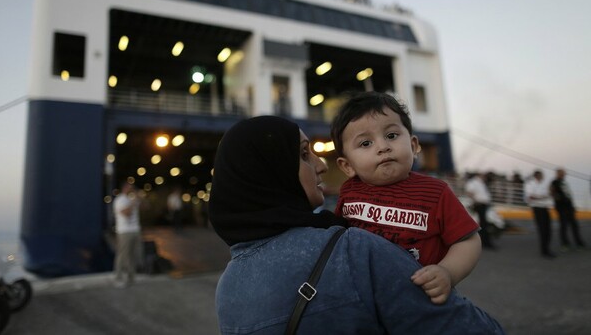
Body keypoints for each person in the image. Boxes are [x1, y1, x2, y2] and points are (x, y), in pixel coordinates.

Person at [209, 115, 504, 334]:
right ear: (270, 171)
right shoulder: (353, 249)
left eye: (391, 136)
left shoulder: (227, 290)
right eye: (303, 154)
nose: (321, 164)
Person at [330, 91, 481, 304]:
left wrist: (447, 272)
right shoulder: (349, 193)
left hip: (420, 300)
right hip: (366, 302)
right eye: (365, 143)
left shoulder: (435, 192)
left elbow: (468, 240)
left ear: (413, 146)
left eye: (391, 135)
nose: (383, 147)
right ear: (347, 166)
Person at [113, 181, 142, 287]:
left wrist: (140, 197)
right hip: (124, 231)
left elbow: (146, 207)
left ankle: (131, 277)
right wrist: (133, 202)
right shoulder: (120, 200)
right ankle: (118, 278)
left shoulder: (132, 199)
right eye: (130, 188)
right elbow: (126, 214)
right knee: (122, 255)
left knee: (132, 254)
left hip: (135, 230)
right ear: (125, 188)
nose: (132, 190)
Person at [550, 168, 586, 250]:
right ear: (558, 174)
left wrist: (572, 206)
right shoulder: (554, 182)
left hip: (569, 207)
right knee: (564, 226)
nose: (564, 174)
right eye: (562, 173)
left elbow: (568, 195)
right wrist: (558, 199)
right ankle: (565, 244)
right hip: (562, 208)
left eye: (564, 173)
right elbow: (552, 192)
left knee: (574, 225)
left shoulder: (564, 182)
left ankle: (579, 242)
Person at [524, 170, 555, 259]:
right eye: (541, 175)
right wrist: (543, 197)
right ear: (537, 176)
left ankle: (547, 249)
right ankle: (544, 250)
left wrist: (548, 194)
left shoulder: (544, 184)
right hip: (537, 209)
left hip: (545, 208)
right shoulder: (530, 184)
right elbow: (531, 197)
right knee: (542, 230)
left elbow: (549, 194)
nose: (543, 176)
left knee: (548, 230)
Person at [465, 172, 498, 250]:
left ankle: (484, 242)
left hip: (483, 205)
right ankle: (486, 242)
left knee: (483, 224)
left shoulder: (481, 183)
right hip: (479, 205)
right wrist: (476, 202)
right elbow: (469, 193)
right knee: (483, 224)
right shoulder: (473, 182)